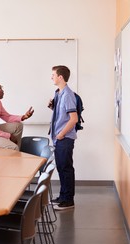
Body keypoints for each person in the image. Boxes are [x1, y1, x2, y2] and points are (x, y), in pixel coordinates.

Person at [48, 65, 78, 210]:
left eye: (53, 74)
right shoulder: (59, 93)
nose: (51, 77)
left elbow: (74, 119)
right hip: (59, 138)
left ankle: (68, 200)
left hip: (64, 138)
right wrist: (52, 107)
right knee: (61, 167)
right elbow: (63, 115)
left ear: (60, 77)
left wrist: (61, 134)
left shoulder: (67, 95)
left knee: (65, 168)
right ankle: (63, 196)